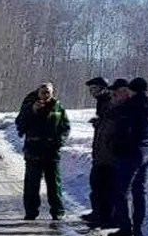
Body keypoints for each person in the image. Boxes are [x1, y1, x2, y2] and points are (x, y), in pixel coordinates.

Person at [107, 76, 148, 236]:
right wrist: (145, 142)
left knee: (121, 191)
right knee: (140, 191)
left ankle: (125, 227)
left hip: (130, 153)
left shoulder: (130, 106)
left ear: (131, 90)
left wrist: (120, 145)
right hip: (146, 151)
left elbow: (113, 115)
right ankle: (138, 227)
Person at [14, 82, 71, 220]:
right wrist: (32, 111)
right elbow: (20, 124)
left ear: (52, 93)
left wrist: (59, 142)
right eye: (43, 92)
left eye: (48, 92)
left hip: (52, 152)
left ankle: (57, 211)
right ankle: (31, 211)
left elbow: (65, 127)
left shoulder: (58, 107)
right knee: (32, 184)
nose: (46, 95)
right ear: (37, 93)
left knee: (54, 183)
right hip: (34, 150)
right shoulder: (29, 106)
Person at [81, 77, 119, 227]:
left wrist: (100, 123)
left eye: (94, 89)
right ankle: (98, 213)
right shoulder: (102, 102)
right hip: (101, 151)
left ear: (103, 88)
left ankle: (107, 216)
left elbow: (113, 124)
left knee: (106, 186)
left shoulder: (109, 101)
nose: (92, 93)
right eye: (91, 90)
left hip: (109, 153)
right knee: (97, 184)